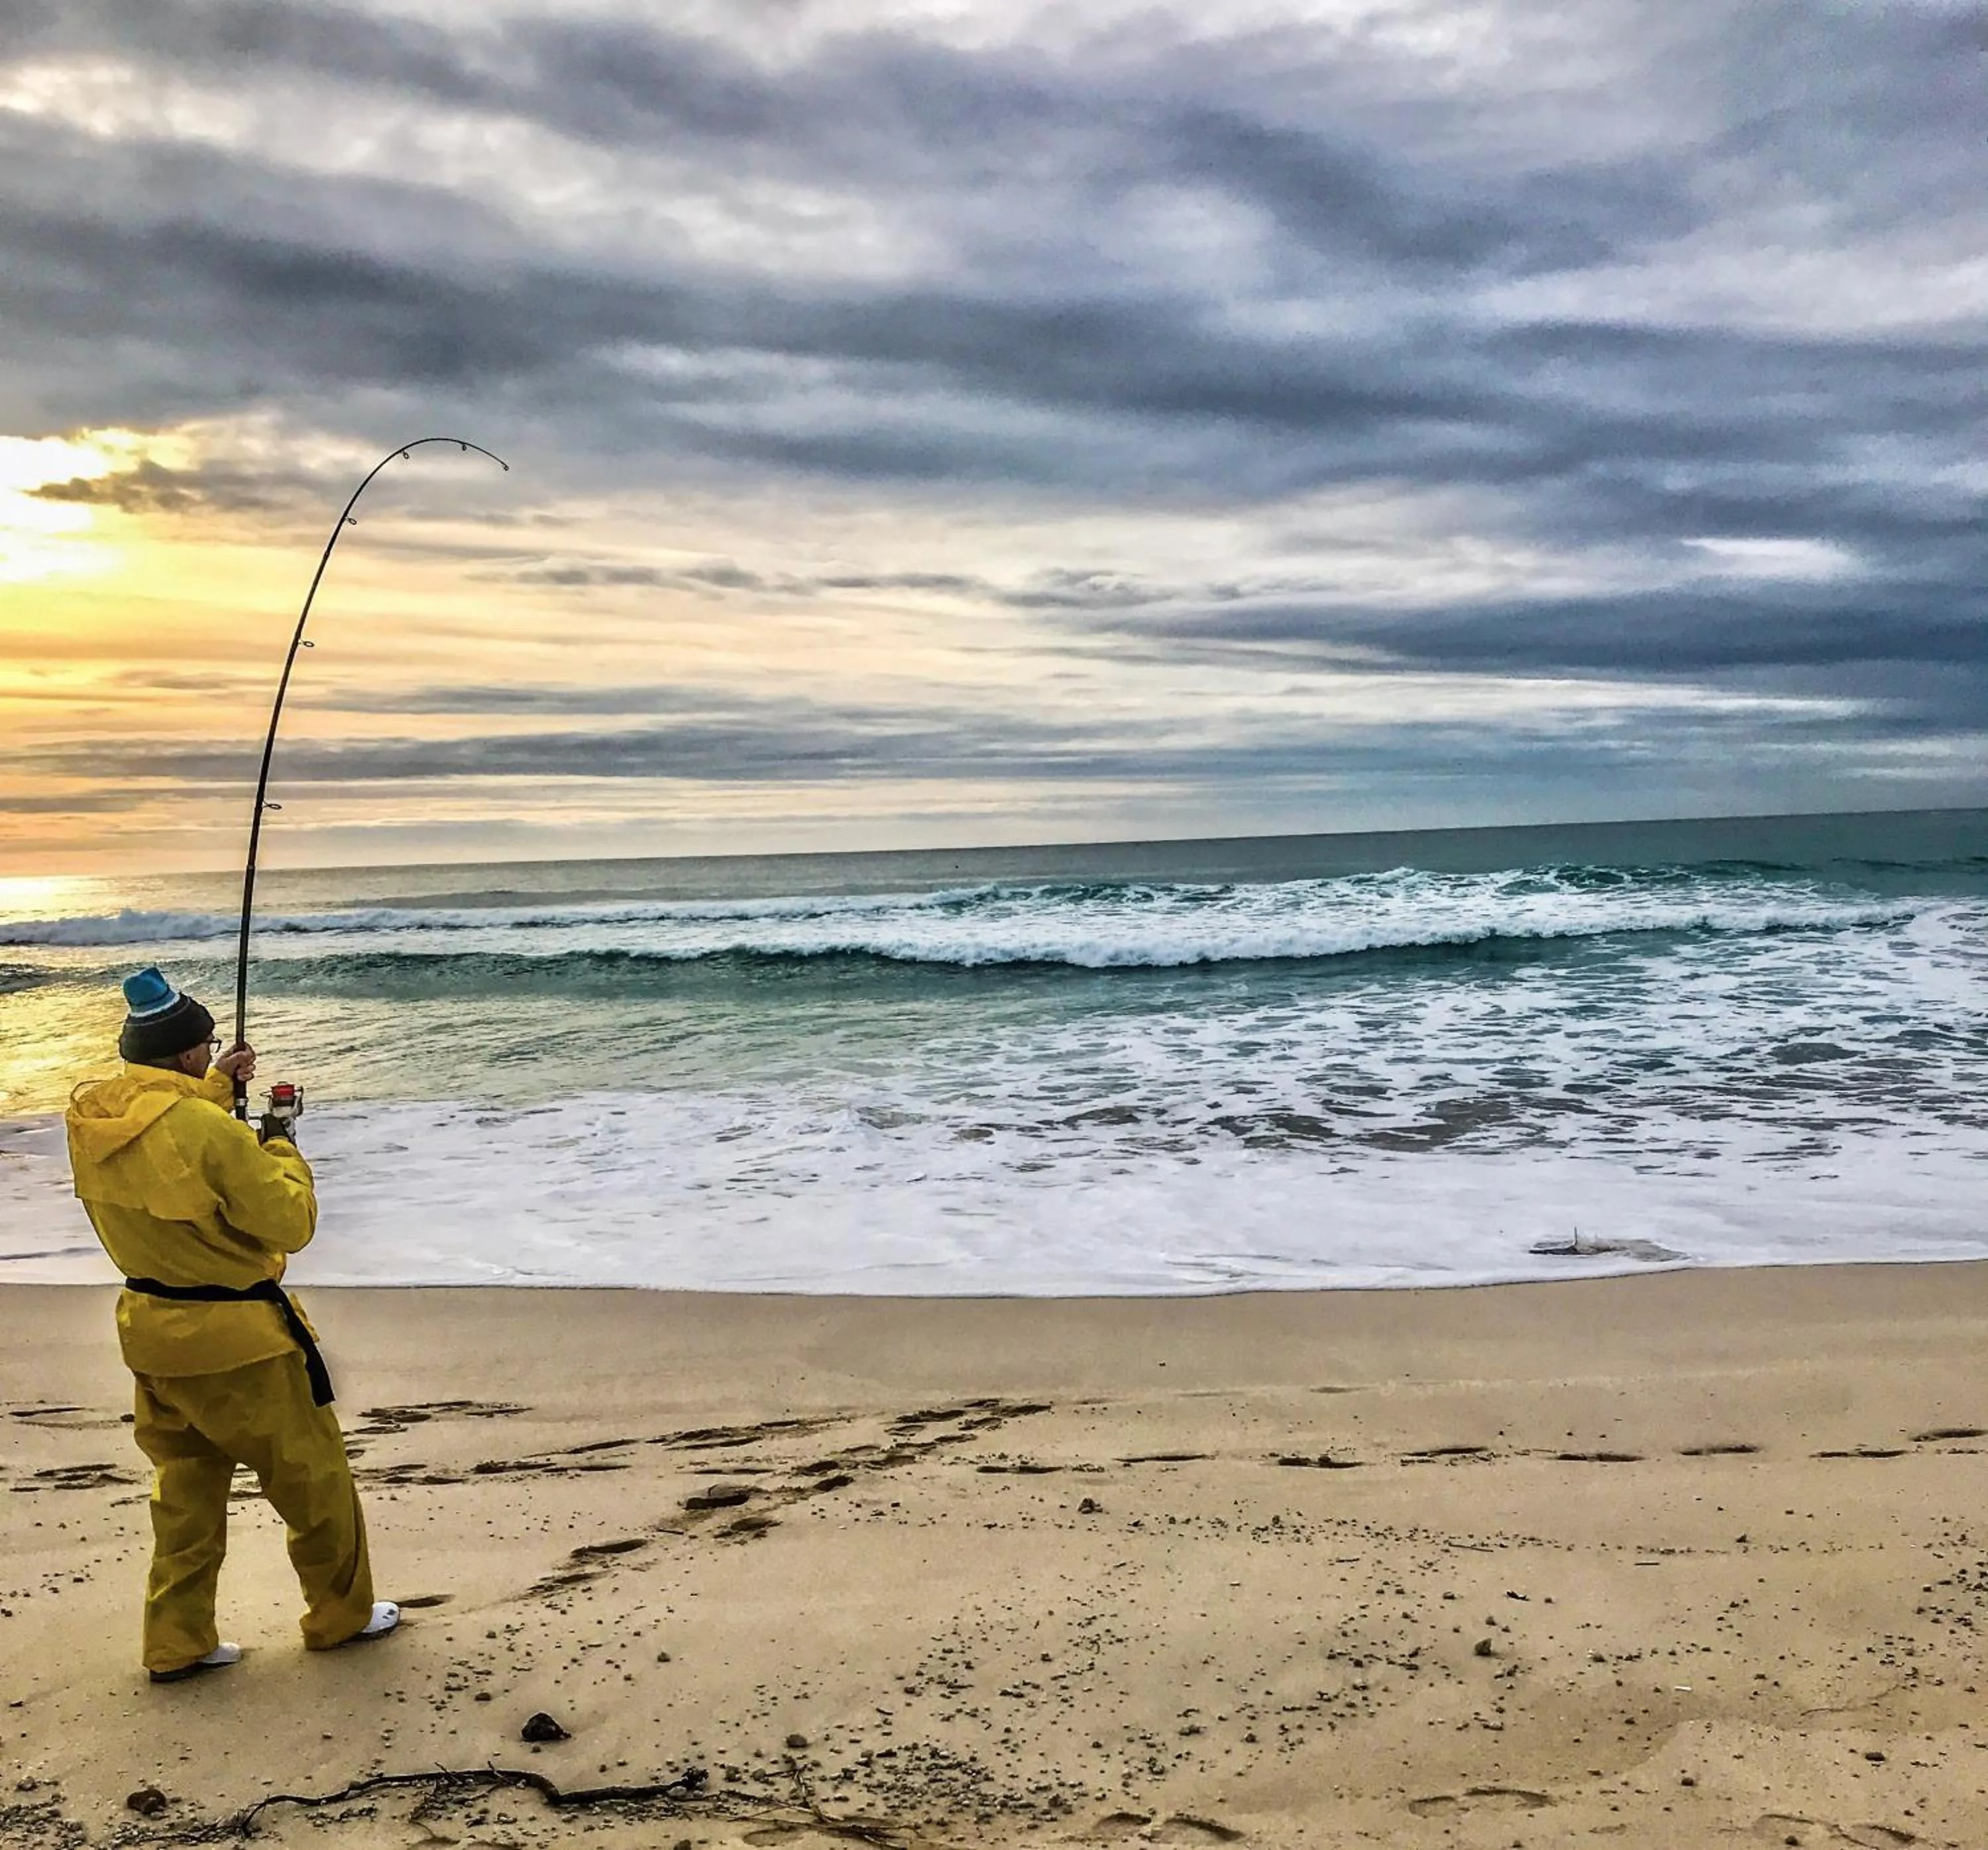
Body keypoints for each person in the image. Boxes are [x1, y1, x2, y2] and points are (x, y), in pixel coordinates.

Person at [64, 966, 398, 1683]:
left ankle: (176, 1640)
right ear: (185, 1053)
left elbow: (164, 1137)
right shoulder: (209, 1130)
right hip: (241, 1339)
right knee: (314, 1480)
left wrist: (215, 1085)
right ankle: (340, 1615)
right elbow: (290, 1221)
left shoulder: (92, 1118)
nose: (212, 1051)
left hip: (152, 1332)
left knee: (184, 1492)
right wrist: (278, 1140)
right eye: (206, 1044)